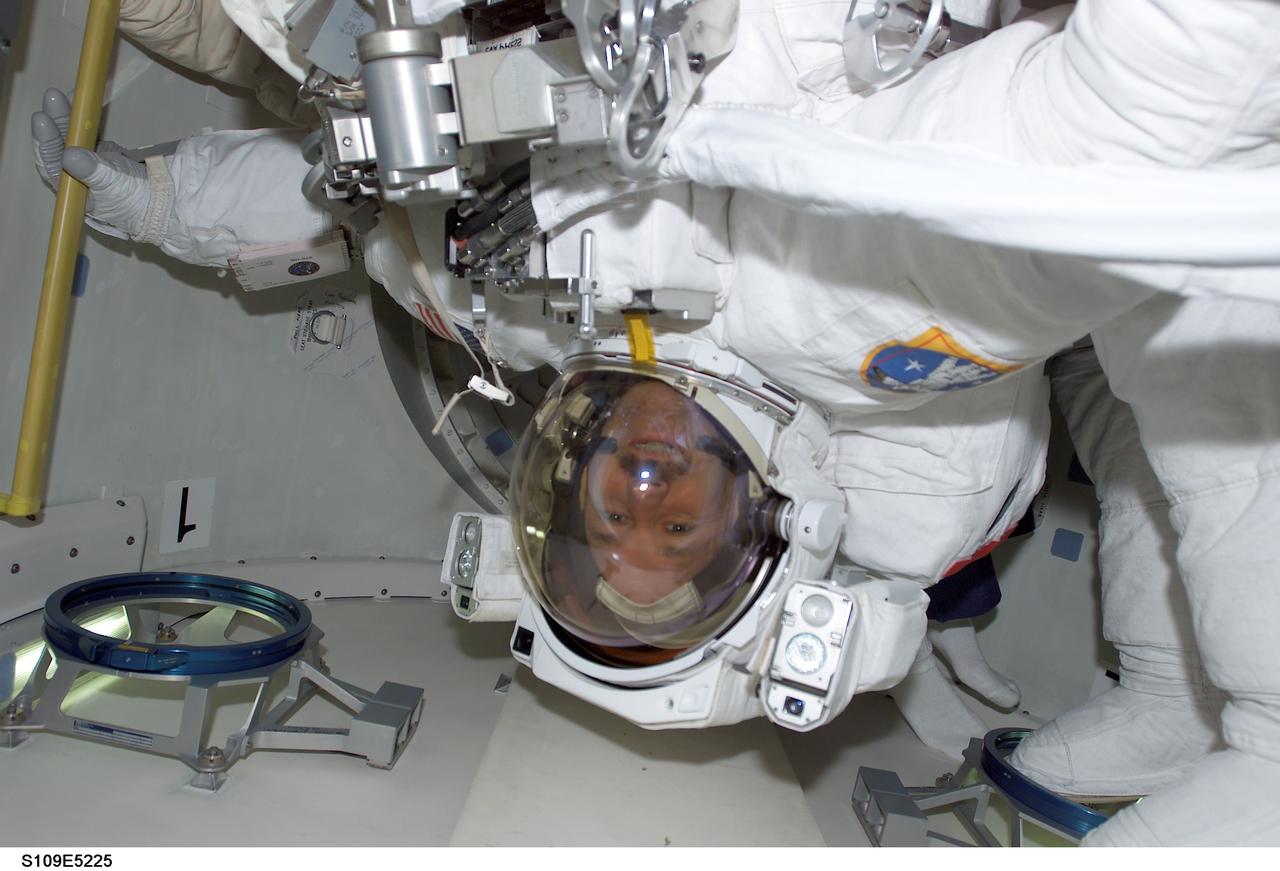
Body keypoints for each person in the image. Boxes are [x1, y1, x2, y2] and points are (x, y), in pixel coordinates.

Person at [31, 0, 1280, 844]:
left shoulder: (541, 328)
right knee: (1173, 341)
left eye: (600, 511)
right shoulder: (833, 311)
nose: (635, 478)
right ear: (760, 520)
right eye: (675, 519)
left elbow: (362, 208)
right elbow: (1156, 96)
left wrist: (156, 204)